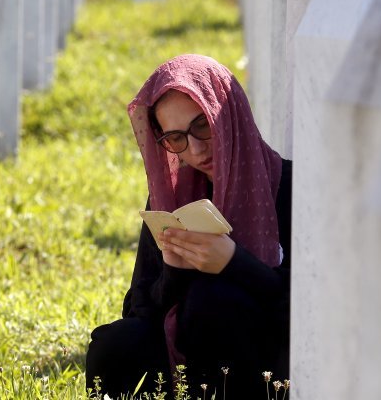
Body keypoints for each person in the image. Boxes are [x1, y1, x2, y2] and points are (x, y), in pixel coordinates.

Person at [86, 54, 292, 398]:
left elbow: (302, 309)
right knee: (114, 343)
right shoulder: (174, 197)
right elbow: (140, 307)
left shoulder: (289, 186)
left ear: (227, 114)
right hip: (184, 355)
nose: (195, 149)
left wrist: (234, 264)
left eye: (202, 125)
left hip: (261, 360)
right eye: (176, 138)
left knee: (212, 299)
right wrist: (173, 270)